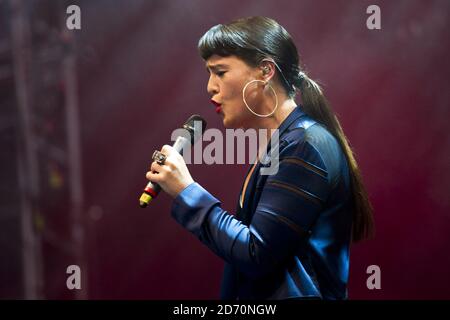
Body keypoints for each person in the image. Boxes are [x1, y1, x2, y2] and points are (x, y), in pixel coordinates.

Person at [146, 16, 374, 300]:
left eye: (220, 72)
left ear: (265, 71)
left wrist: (187, 192)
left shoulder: (304, 145)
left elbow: (255, 253)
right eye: (209, 73)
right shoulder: (287, 143)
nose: (210, 87)